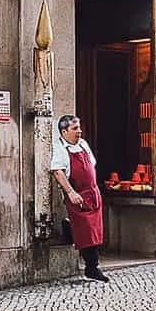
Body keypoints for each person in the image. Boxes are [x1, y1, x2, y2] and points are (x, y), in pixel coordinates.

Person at [50, 114, 108, 283]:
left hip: (93, 194)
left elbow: (92, 164)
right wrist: (71, 193)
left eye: (79, 127)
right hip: (78, 196)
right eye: (75, 128)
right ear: (64, 131)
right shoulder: (60, 148)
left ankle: (92, 266)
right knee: (86, 233)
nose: (79, 131)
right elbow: (58, 171)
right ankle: (92, 268)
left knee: (96, 232)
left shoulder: (83, 144)